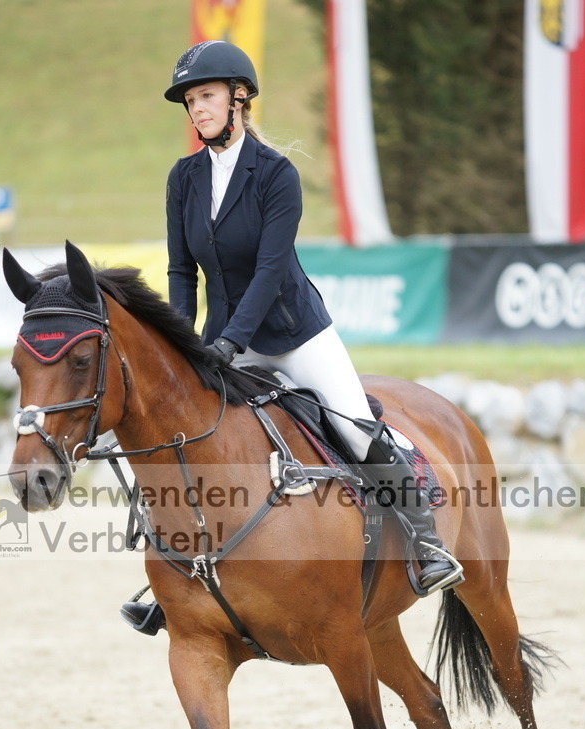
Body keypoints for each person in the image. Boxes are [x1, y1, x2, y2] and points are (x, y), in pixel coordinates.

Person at [121, 40, 462, 634]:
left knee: (354, 426)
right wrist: (183, 343)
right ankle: (171, 574)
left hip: (294, 332)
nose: (196, 109)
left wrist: (230, 344)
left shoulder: (276, 174)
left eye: (205, 96)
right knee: (183, 437)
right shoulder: (183, 178)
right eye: (190, 101)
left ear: (239, 98)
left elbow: (271, 270)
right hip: (222, 336)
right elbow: (181, 271)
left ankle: (424, 543)